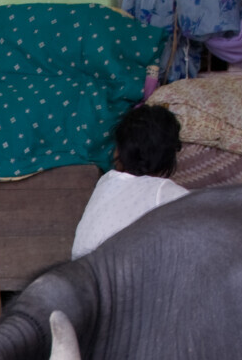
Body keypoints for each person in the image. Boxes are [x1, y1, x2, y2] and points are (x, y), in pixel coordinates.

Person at [71, 105, 188, 258]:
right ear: (168, 157)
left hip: (79, 275)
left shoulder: (105, 181)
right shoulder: (163, 191)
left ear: (118, 151)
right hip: (115, 278)